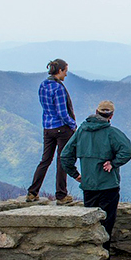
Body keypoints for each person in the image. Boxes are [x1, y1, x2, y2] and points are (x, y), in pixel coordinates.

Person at [60, 100, 131, 260]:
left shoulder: (81, 132)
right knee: (106, 223)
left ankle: (91, 258)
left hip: (89, 186)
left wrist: (76, 175)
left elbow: (65, 156)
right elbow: (127, 151)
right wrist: (113, 163)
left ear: (96, 112)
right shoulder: (112, 133)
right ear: (111, 116)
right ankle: (104, 259)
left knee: (91, 223)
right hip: (109, 185)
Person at [27, 58, 77, 204]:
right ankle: (61, 195)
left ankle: (32, 192)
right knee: (62, 160)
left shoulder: (43, 85)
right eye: (65, 71)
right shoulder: (59, 88)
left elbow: (46, 106)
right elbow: (62, 112)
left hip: (47, 127)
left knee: (45, 160)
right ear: (60, 71)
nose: (66, 75)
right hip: (62, 128)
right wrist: (73, 124)